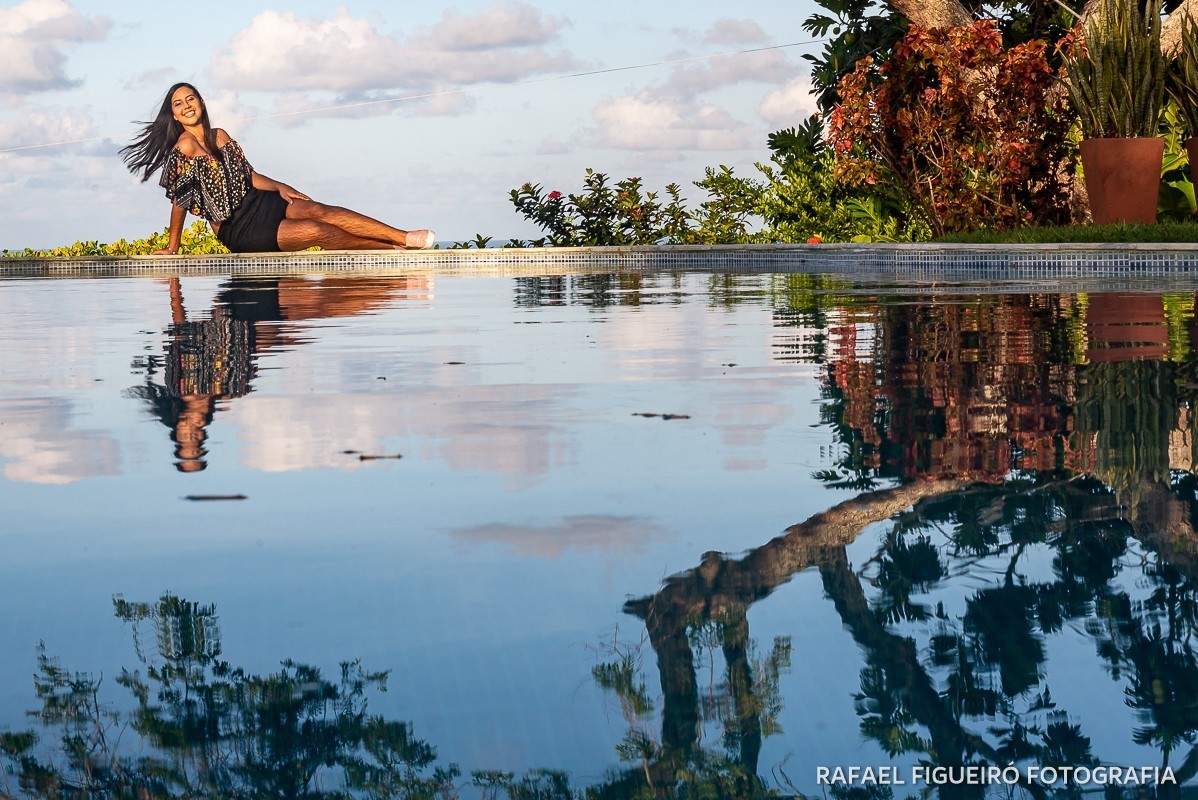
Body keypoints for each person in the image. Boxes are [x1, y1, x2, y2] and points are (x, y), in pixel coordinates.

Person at [120, 83, 435, 254]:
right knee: (317, 232)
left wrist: (281, 186)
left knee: (317, 209)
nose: (186, 105)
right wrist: (172, 246)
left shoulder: (220, 136)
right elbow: (180, 201)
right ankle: (388, 247)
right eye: (178, 103)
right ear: (174, 116)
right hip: (237, 228)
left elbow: (249, 175)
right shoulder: (184, 148)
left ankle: (403, 237)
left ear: (202, 103)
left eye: (191, 99)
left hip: (260, 202)